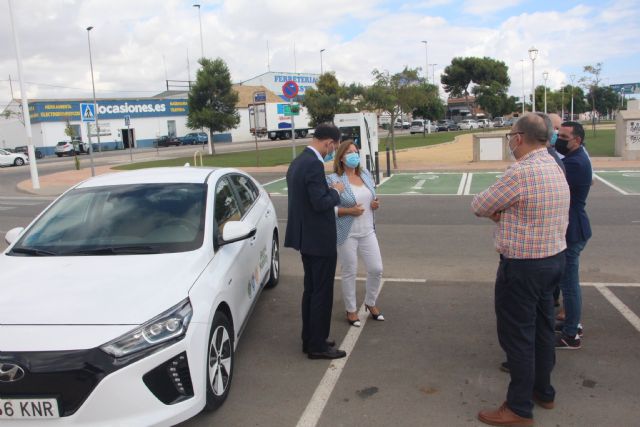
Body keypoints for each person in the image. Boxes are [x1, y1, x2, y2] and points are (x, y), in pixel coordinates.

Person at [472, 113, 570, 426]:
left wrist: (501, 213)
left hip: (524, 267)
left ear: (519, 137)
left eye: (511, 135)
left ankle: (518, 407)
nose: (510, 141)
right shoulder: (554, 164)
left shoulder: (521, 171)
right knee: (542, 331)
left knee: (518, 337)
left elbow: (480, 205)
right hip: (553, 260)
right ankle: (544, 391)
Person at [284, 123, 347, 360]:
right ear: (329, 142)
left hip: (306, 238)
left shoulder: (298, 161)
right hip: (318, 239)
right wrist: (336, 191)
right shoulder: (313, 164)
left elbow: (307, 199)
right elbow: (320, 202)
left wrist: (325, 190)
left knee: (311, 291)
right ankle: (318, 346)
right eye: (334, 147)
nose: (333, 151)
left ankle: (311, 338)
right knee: (321, 292)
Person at [326, 140, 384, 327]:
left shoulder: (365, 174)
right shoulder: (333, 179)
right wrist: (348, 211)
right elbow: (328, 208)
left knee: (376, 269)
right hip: (347, 232)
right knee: (349, 271)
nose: (354, 155)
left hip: (367, 230)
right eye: (350, 152)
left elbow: (371, 199)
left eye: (356, 151)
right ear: (341, 157)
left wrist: (374, 204)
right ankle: (351, 310)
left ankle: (370, 302)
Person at [554, 121, 592, 350]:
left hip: (573, 229)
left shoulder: (574, 163)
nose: (559, 139)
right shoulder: (575, 159)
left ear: (577, 140)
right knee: (568, 282)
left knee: (569, 285)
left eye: (564, 136)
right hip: (574, 227)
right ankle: (572, 324)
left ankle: (571, 335)